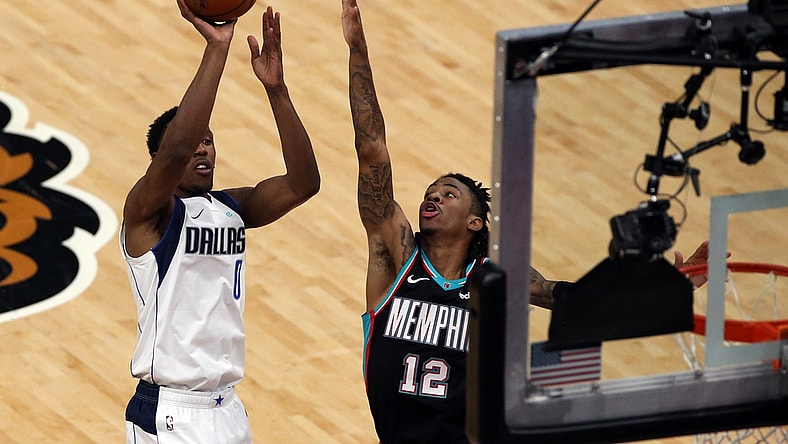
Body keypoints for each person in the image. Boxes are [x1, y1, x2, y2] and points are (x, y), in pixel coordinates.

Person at [341, 1, 710, 442]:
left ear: (476, 223)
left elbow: (574, 300)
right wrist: (358, 50)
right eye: (429, 193)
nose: (432, 197)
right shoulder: (396, 257)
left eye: (448, 193)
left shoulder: (495, 277)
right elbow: (372, 151)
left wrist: (666, 287)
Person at [120, 1, 320, 442]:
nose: (202, 149)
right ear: (160, 163)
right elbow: (176, 148)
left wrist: (277, 90)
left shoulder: (231, 208)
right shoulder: (148, 213)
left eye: (210, 142)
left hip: (228, 406)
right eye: (195, 141)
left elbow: (304, 183)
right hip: (171, 411)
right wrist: (218, 48)